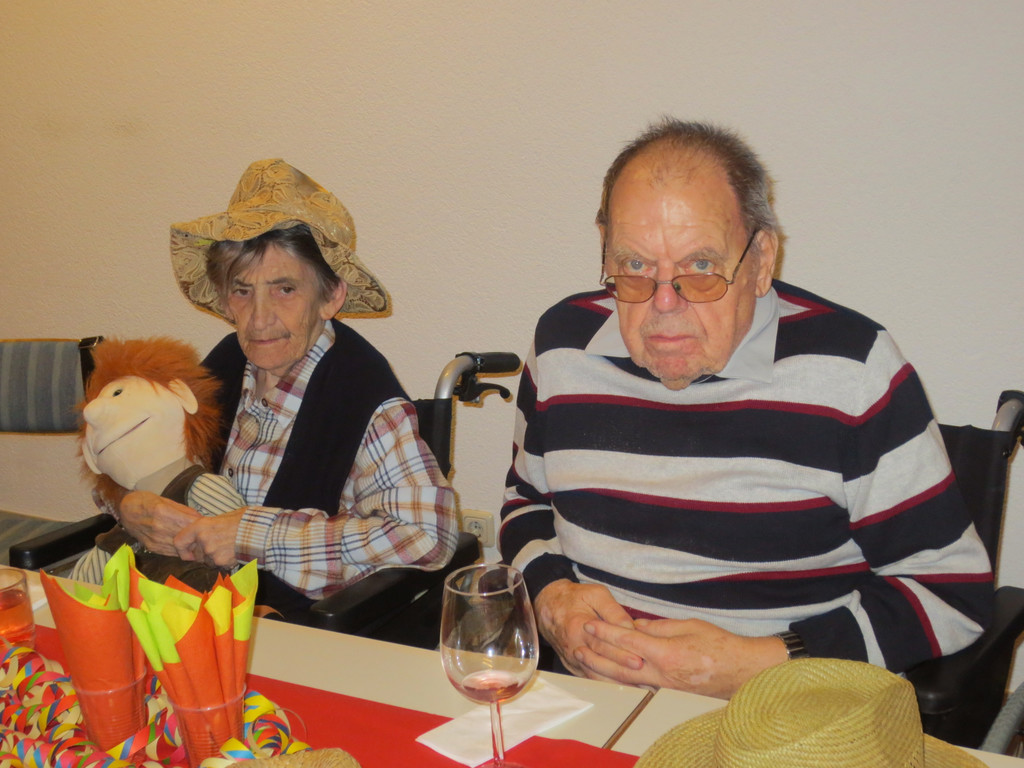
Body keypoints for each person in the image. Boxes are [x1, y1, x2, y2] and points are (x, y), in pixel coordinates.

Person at [499, 119, 993, 698]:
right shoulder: (562, 344)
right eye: (634, 266)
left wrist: (766, 665)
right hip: (585, 702)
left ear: (761, 260)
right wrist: (551, 596)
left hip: (785, 715)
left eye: (700, 267)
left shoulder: (852, 370)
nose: (664, 304)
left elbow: (951, 593)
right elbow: (525, 504)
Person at [111, 159, 458, 616]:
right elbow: (135, 457)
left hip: (293, 628)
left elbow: (427, 537)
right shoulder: (223, 367)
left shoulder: (362, 394)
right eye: (242, 291)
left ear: (331, 295)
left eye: (284, 290)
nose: (258, 320)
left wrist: (252, 535)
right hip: (188, 610)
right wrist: (128, 504)